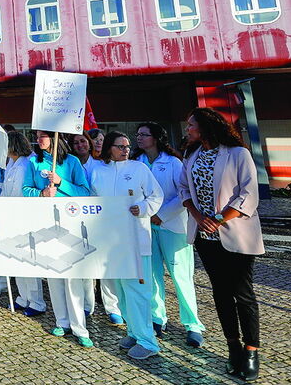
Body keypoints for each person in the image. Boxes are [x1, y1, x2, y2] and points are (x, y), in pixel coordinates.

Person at [177, 108, 264, 380]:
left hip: (236, 234)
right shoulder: (191, 155)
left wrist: (217, 218)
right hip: (205, 238)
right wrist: (197, 216)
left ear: (205, 127)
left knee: (243, 294)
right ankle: (233, 347)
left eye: (191, 125)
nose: (187, 129)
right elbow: (184, 190)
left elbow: (249, 194)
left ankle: (251, 351)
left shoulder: (238, 154)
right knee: (221, 294)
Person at [90, 131, 164, 360]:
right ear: (109, 148)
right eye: (120, 146)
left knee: (138, 291)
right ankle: (134, 331)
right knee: (121, 291)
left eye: (127, 146)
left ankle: (148, 341)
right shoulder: (97, 171)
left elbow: (156, 196)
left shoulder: (139, 169)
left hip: (135, 240)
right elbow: (91, 200)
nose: (126, 150)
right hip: (111, 242)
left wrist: (142, 208)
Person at [131, 121, 204, 347]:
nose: (139, 138)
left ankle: (192, 324)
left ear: (156, 137)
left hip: (172, 226)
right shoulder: (137, 163)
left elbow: (183, 193)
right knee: (152, 276)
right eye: (138, 134)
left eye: (144, 134)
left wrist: (160, 215)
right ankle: (157, 317)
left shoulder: (173, 162)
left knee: (181, 277)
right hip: (146, 228)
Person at [22, 130, 92, 348]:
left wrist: (61, 183)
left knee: (72, 276)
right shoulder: (34, 163)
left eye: (42, 135)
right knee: (53, 274)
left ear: (55, 138)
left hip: (69, 223)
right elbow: (25, 191)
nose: (38, 139)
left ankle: (79, 325)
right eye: (36, 135)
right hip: (45, 223)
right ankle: (62, 320)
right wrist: (41, 194)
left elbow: (85, 192)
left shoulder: (71, 162)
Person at [0, 132, 47, 316]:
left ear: (13, 145)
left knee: (28, 261)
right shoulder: (11, 163)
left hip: (25, 216)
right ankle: (23, 298)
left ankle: (37, 302)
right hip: (11, 216)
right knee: (17, 260)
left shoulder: (26, 163)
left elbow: (21, 192)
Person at [70, 130, 122, 324]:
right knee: (84, 265)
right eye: (75, 143)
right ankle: (86, 305)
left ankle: (112, 306)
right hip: (78, 220)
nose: (80, 145)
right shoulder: (68, 165)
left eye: (83, 141)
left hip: (101, 221)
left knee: (104, 265)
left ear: (89, 143)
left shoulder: (101, 166)